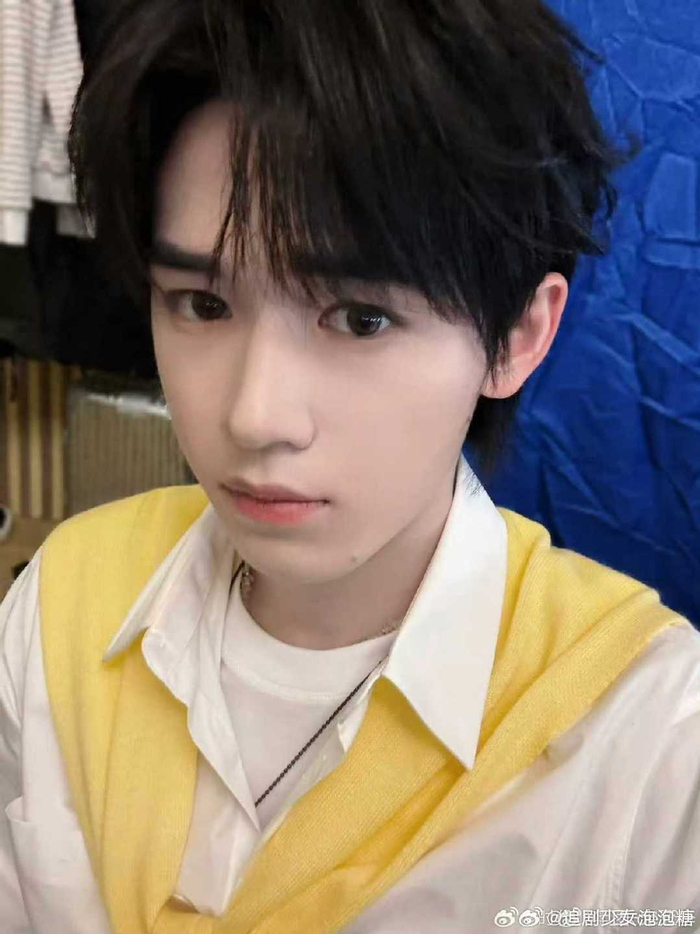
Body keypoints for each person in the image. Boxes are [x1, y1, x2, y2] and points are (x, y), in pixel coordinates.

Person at [1, 1, 698, 931]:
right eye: (202, 304)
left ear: (517, 336)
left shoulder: (650, 745)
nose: (255, 416)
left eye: (361, 319)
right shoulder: (61, 605)